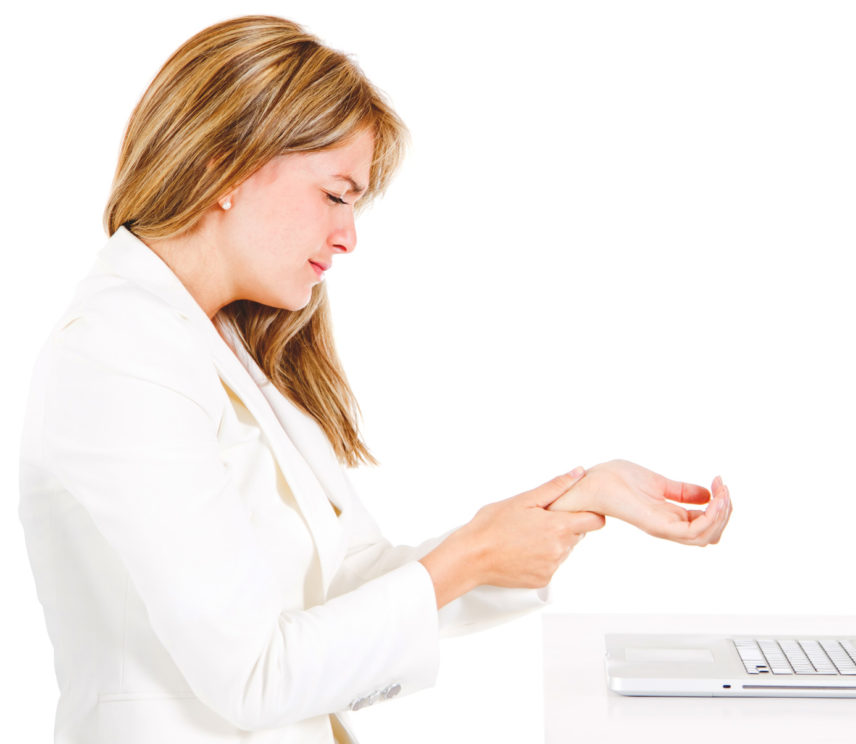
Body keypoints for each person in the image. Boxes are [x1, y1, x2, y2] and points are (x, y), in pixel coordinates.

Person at [18, 15, 732, 744]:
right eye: (335, 195)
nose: (349, 236)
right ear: (224, 167)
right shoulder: (117, 356)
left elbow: (351, 586)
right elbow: (252, 676)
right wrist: (474, 554)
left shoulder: (227, 347)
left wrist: (572, 503)